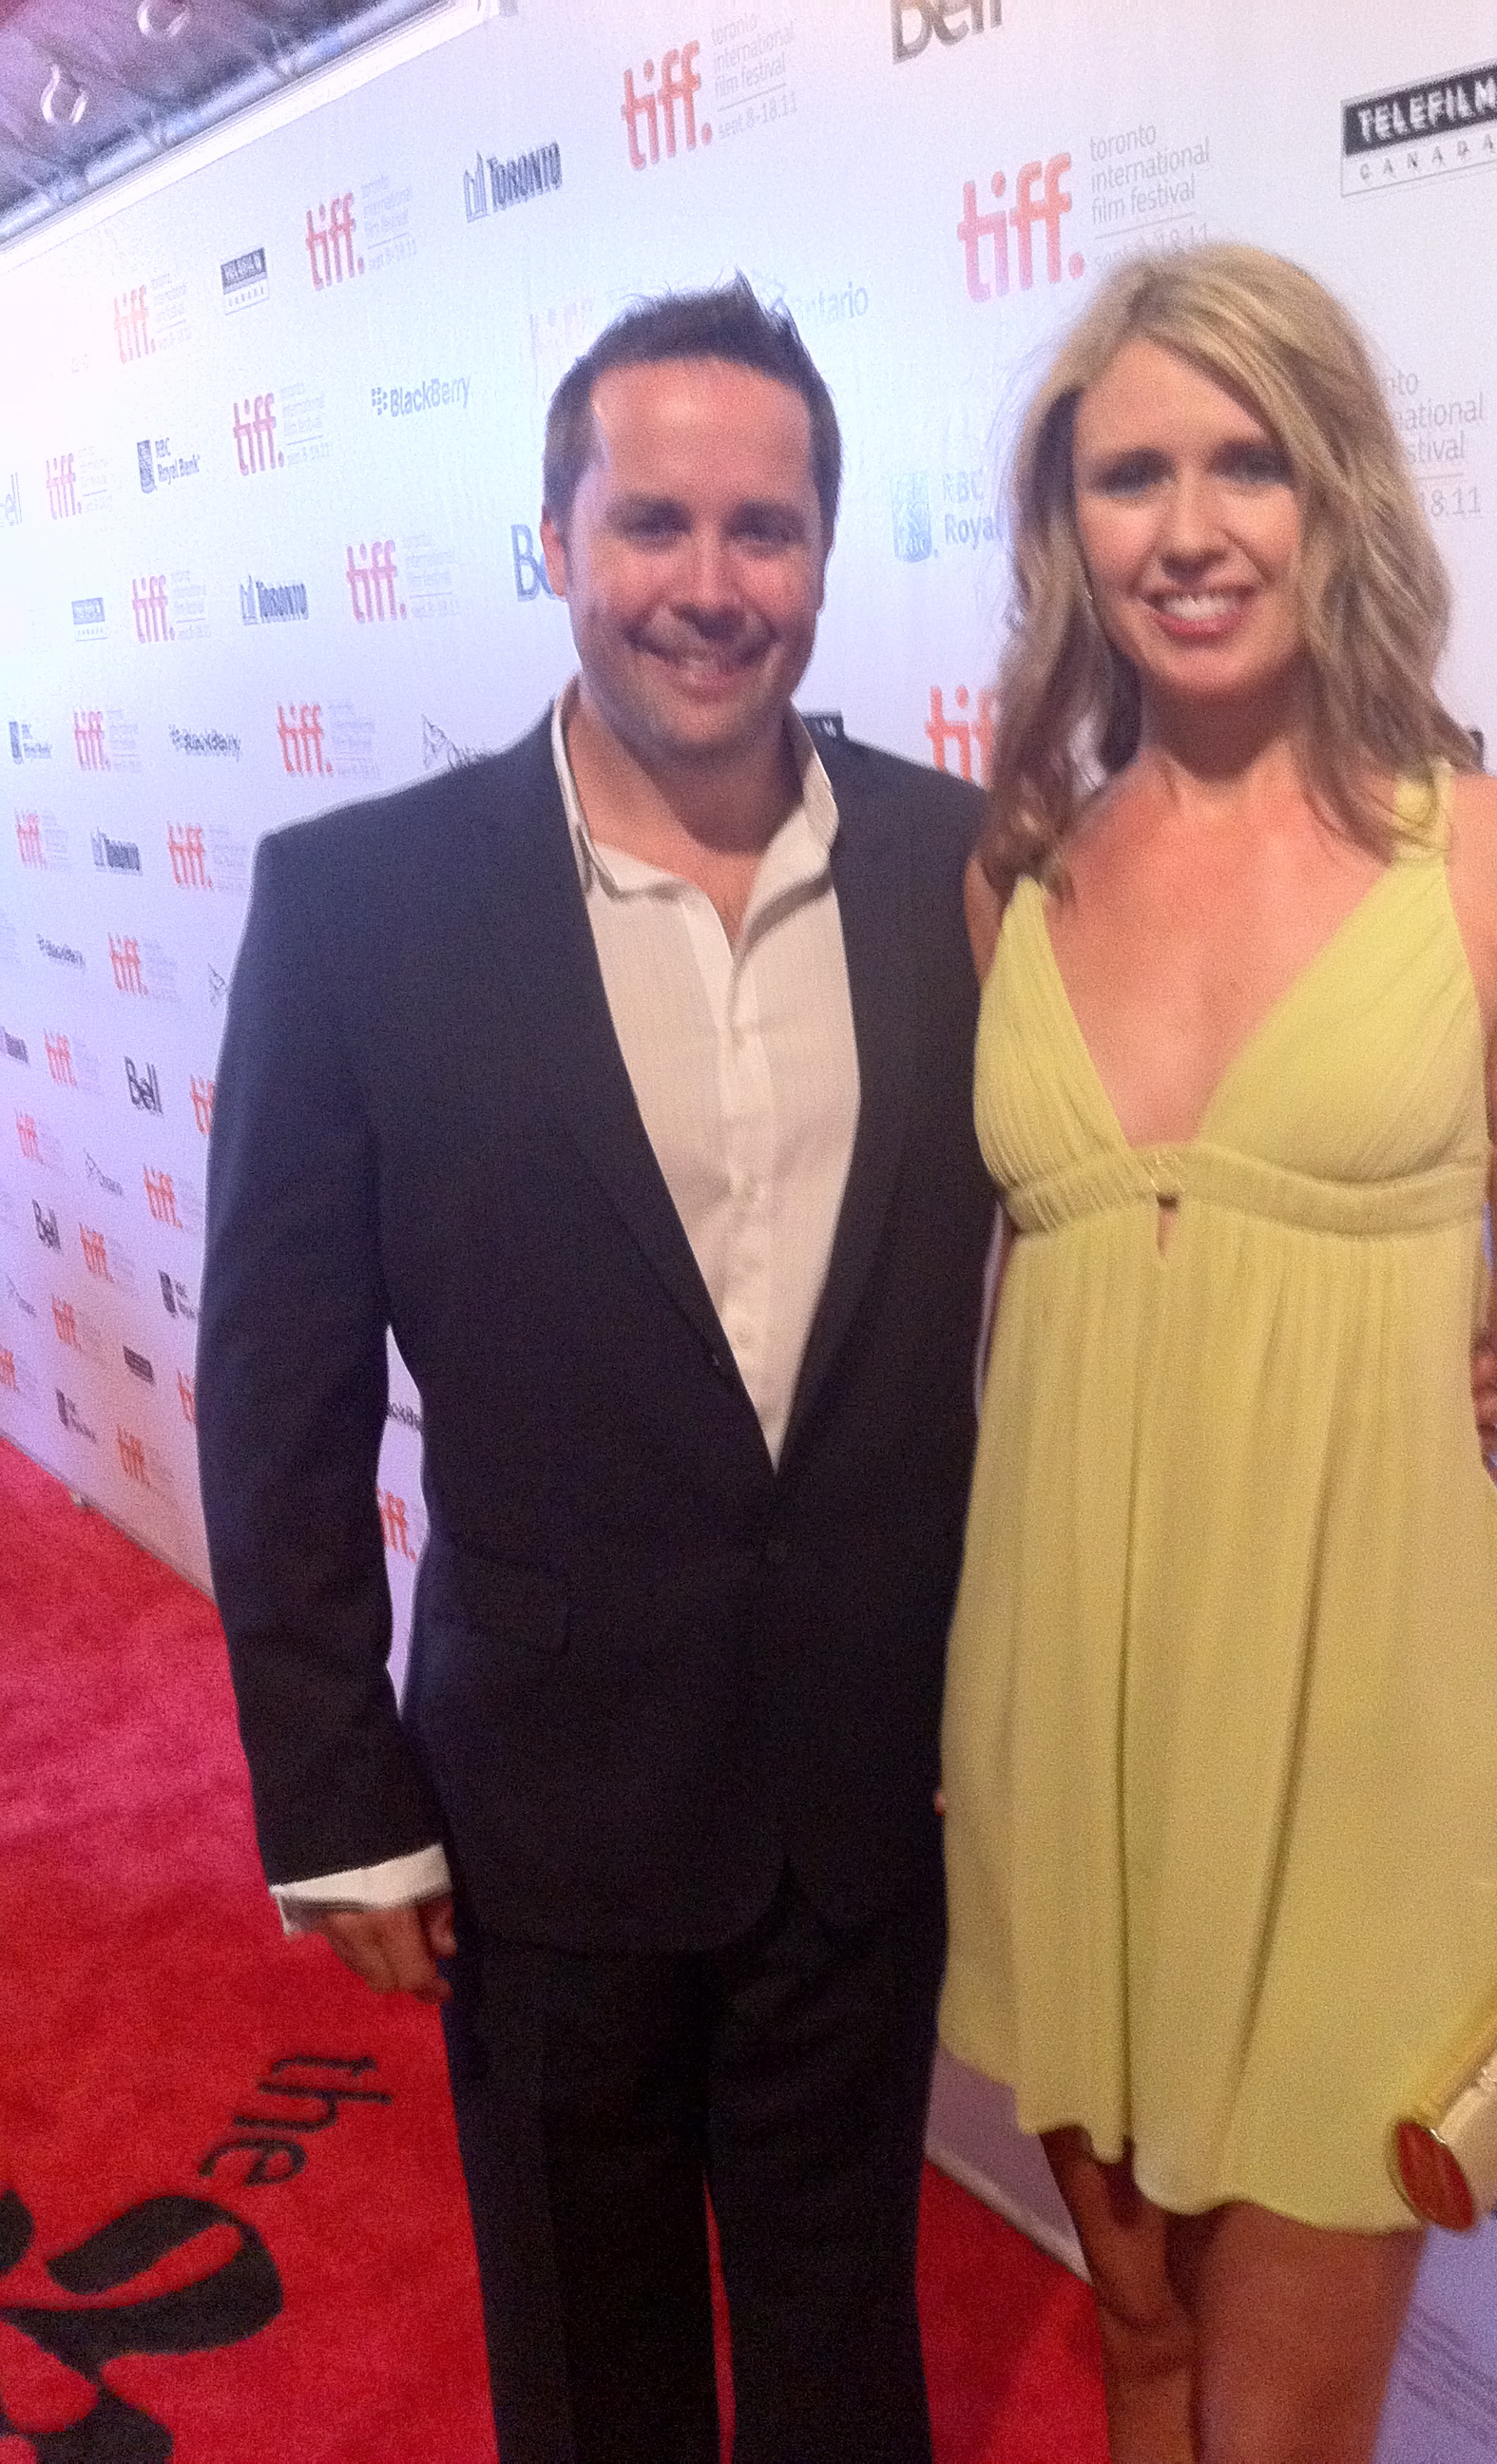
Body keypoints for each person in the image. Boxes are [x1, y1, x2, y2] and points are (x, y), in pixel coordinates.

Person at [196, 280, 994, 2464]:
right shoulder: (359, 905)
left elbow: (1128, 1215)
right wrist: (341, 1803)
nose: (708, 588)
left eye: (765, 529)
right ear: (552, 537)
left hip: (863, 1784)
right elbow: (273, 1387)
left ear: (827, 553)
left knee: (846, 2353)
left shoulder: (965, 872)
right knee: (589, 2361)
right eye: (652, 522)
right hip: (536, 1806)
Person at [937, 244, 1497, 2464]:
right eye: (1127, 475)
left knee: (1282, 2418)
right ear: (1063, 532)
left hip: (1372, 1723)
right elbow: (1030, 1311)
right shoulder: (1017, 880)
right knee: (1143, 2343)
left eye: (1243, 462)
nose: (1186, 528)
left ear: (1336, 493)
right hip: (1065, 1710)